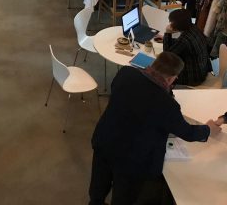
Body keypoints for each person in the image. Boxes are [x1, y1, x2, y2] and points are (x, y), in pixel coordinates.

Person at [89, 51, 220, 205]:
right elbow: (188, 132)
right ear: (171, 78)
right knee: (123, 197)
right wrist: (208, 129)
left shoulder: (125, 73)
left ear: (153, 64)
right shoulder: (167, 105)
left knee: (98, 186)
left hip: (104, 141)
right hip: (132, 161)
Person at [162, 9, 212, 86]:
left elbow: (167, 56)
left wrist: (167, 33)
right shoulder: (194, 28)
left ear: (178, 24)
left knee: (162, 70)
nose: (170, 24)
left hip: (193, 78)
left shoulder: (184, 40)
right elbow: (182, 45)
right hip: (203, 70)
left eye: (171, 22)